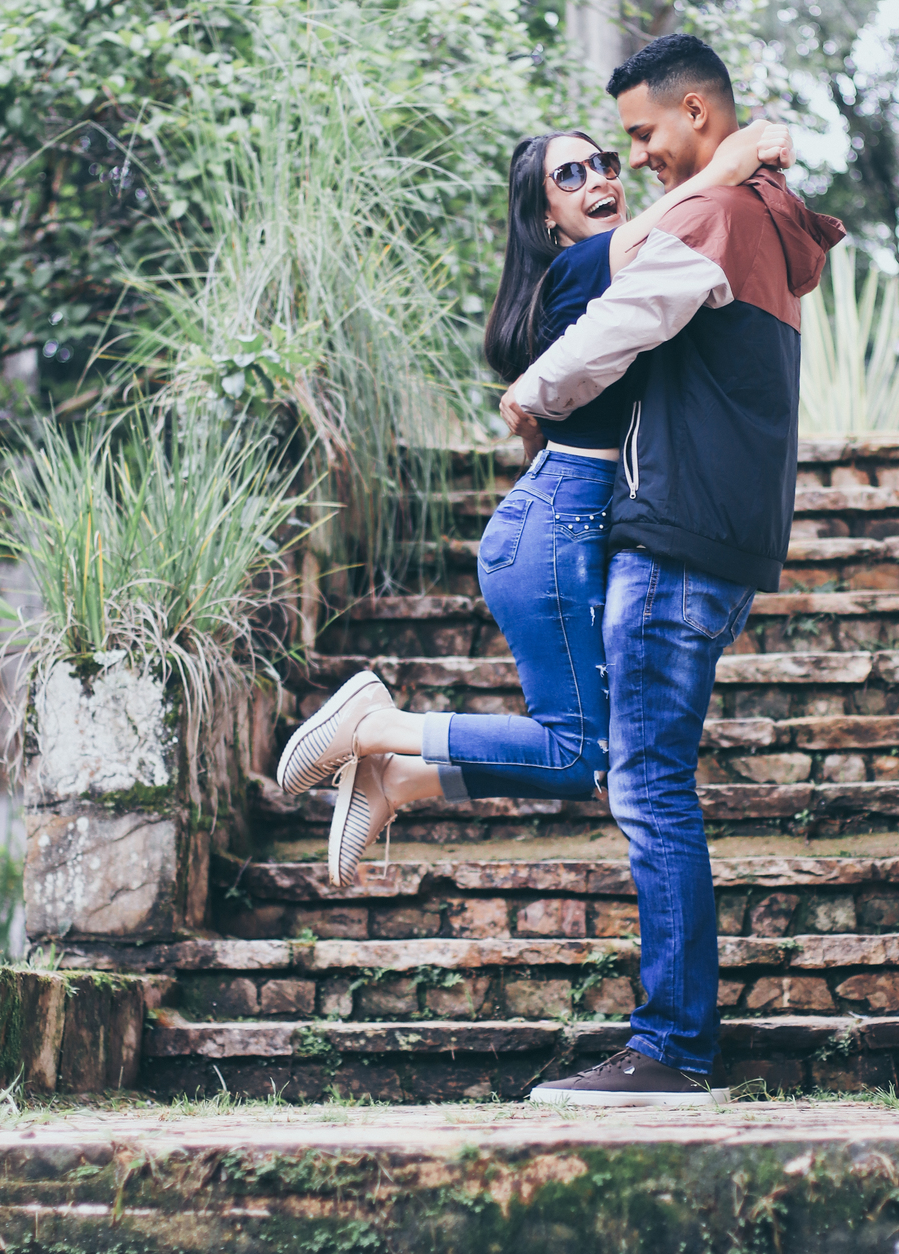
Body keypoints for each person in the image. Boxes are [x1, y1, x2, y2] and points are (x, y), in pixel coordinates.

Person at [275, 113, 795, 895]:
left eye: (606, 164)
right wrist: (733, 157)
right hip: (557, 528)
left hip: (566, 524)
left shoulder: (611, 275)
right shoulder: (581, 267)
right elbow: (670, 223)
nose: (601, 181)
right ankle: (375, 725)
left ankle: (400, 779)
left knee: (598, 762)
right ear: (545, 219)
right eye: (570, 176)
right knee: (580, 750)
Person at [497, 32, 846, 1107]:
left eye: (642, 134)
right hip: (726, 535)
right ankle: (672, 1043)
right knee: (651, 782)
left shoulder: (716, 213)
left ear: (697, 113)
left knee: (648, 788)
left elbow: (621, 322)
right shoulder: (767, 217)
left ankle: (671, 1049)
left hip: (677, 534)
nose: (637, 157)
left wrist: (530, 394)